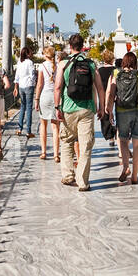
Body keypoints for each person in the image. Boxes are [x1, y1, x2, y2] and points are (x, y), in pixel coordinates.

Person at [54, 33, 106, 191]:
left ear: (70, 46)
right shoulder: (91, 64)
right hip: (87, 109)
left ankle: (68, 175)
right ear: (83, 46)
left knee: (67, 141)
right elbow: (99, 87)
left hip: (69, 109)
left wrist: (57, 107)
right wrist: (101, 107)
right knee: (85, 146)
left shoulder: (64, 63)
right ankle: (82, 182)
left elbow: (57, 87)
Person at [104, 51, 138, 184]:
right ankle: (134, 176)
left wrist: (109, 110)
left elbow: (111, 94)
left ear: (123, 62)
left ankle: (125, 167)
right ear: (135, 63)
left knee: (123, 140)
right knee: (137, 144)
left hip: (122, 111)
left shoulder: (116, 74)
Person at [35, 46, 61, 160]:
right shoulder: (58, 66)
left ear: (45, 55)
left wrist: (36, 99)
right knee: (55, 127)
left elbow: (40, 84)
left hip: (45, 96)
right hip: (56, 97)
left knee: (43, 125)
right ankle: (56, 154)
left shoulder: (42, 66)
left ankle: (44, 152)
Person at [14, 45, 38, 138]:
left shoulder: (20, 62)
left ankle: (19, 129)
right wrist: (34, 83)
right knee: (29, 108)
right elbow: (32, 75)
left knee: (22, 107)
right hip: (28, 86)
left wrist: (15, 87)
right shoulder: (30, 63)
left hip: (21, 86)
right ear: (28, 53)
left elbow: (17, 76)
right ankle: (28, 131)